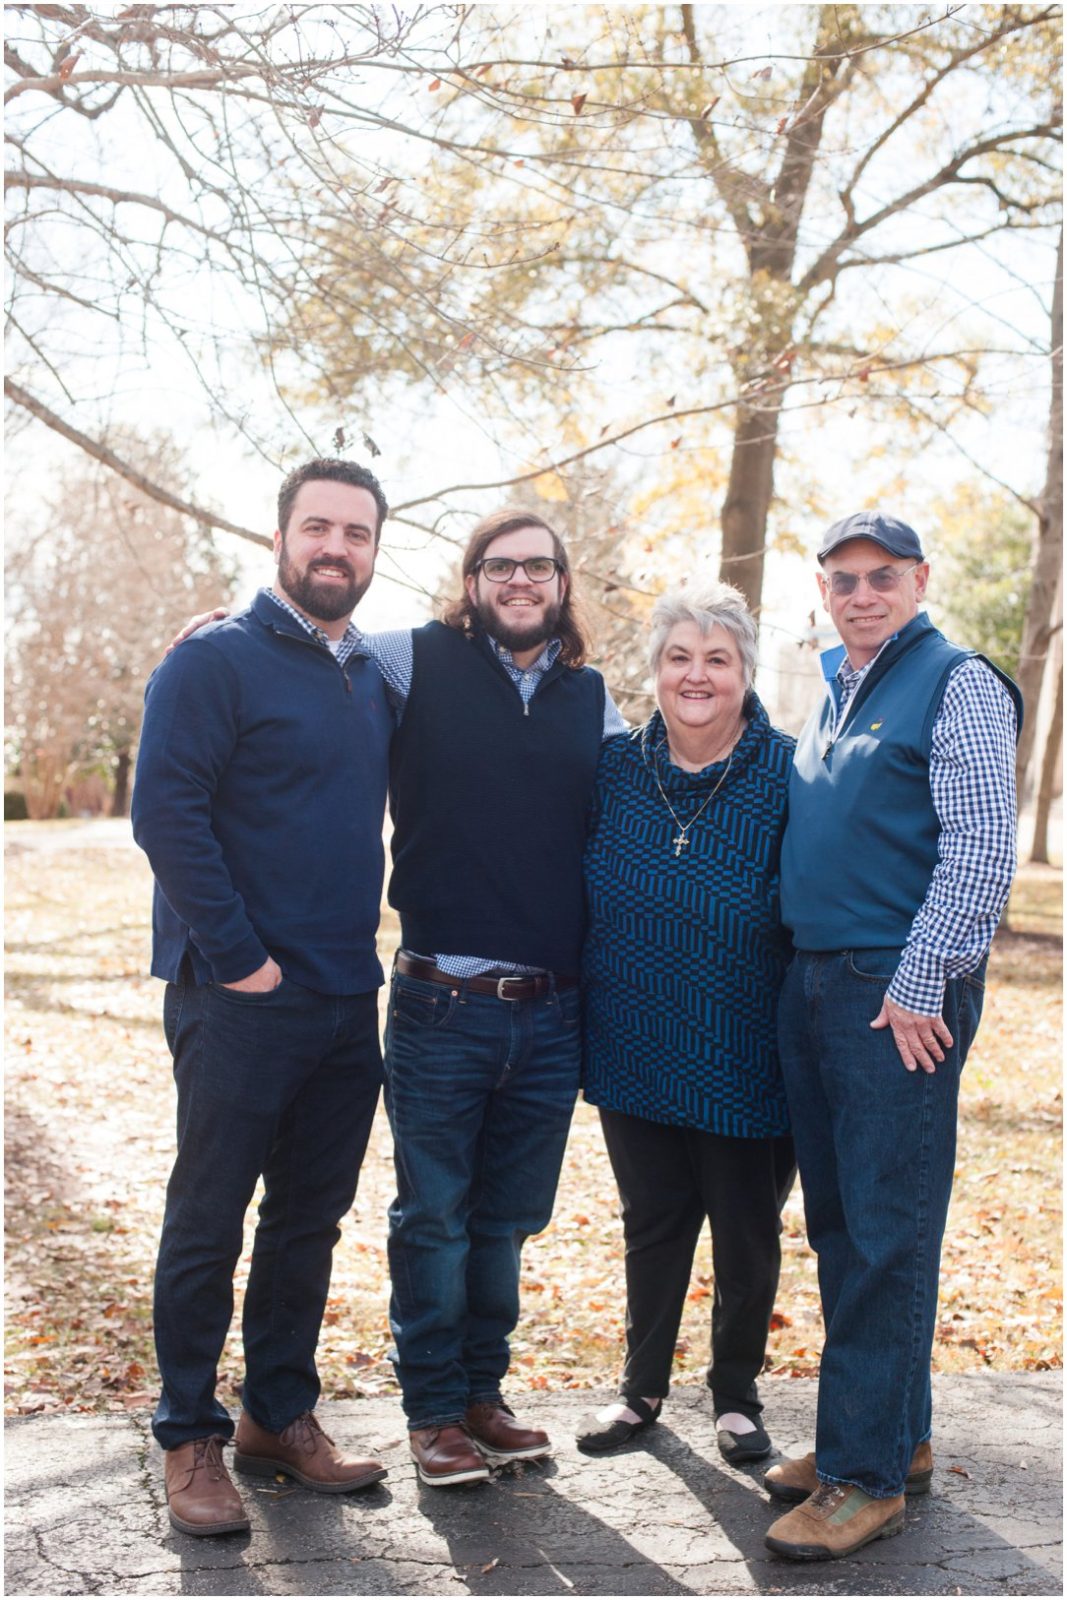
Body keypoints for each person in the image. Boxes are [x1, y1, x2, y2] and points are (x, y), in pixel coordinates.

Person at [131, 459, 393, 1536]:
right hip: (238, 997)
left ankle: (276, 1415)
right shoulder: (214, 660)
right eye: (317, 527)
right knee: (208, 1218)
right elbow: (165, 811)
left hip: (346, 996)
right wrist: (240, 959)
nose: (335, 547)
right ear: (279, 536)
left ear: (374, 551)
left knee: (307, 1222)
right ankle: (188, 1435)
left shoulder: (374, 671)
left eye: (356, 533)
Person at [763, 511, 1021, 1562]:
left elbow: (981, 847)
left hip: (893, 991)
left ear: (919, 580)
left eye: (880, 576)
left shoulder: (954, 682)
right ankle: (889, 1434)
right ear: (823, 590)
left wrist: (920, 984)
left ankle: (862, 1478)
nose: (860, 593)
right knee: (841, 1225)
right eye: (842, 578)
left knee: (885, 1231)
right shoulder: (836, 687)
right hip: (816, 979)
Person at [379, 508, 628, 1485]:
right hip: (439, 1004)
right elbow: (307, 648)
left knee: (506, 1220)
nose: (519, 579)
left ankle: (483, 1395)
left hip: (551, 1011)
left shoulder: (593, 698)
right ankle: (433, 1413)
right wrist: (219, 632)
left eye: (538, 566)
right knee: (433, 1217)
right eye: (500, 565)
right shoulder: (411, 659)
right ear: (472, 579)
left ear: (562, 584)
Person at [574, 584, 796, 1466]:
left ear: (744, 672)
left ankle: (735, 1396)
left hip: (748, 1043)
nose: (695, 675)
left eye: (716, 659)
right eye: (678, 657)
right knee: (653, 1222)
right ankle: (640, 1391)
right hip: (631, 1035)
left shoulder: (789, 771)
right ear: (656, 670)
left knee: (744, 1229)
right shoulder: (613, 768)